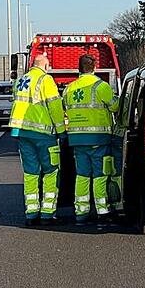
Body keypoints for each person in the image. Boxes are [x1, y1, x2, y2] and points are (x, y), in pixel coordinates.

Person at [8, 54, 66, 225]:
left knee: (30, 173)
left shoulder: (20, 80)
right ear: (45, 65)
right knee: (51, 171)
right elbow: (54, 106)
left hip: (23, 133)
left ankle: (31, 213)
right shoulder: (45, 80)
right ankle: (47, 213)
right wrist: (61, 131)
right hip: (44, 134)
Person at [62, 55, 120, 223]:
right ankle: (102, 211)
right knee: (100, 175)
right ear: (94, 67)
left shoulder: (69, 88)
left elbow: (65, 109)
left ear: (79, 68)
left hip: (77, 140)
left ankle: (81, 211)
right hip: (98, 139)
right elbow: (115, 106)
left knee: (82, 175)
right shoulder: (101, 86)